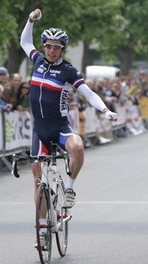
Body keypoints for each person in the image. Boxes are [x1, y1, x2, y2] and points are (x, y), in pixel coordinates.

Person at [20, 9, 118, 212]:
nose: (51, 51)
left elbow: (89, 93)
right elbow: (25, 43)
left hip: (60, 127)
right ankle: (42, 225)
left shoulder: (68, 70)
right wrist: (30, 20)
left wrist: (105, 110)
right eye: (48, 46)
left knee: (79, 148)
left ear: (62, 49)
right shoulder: (37, 61)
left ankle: (70, 189)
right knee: (38, 180)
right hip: (40, 129)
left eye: (56, 47)